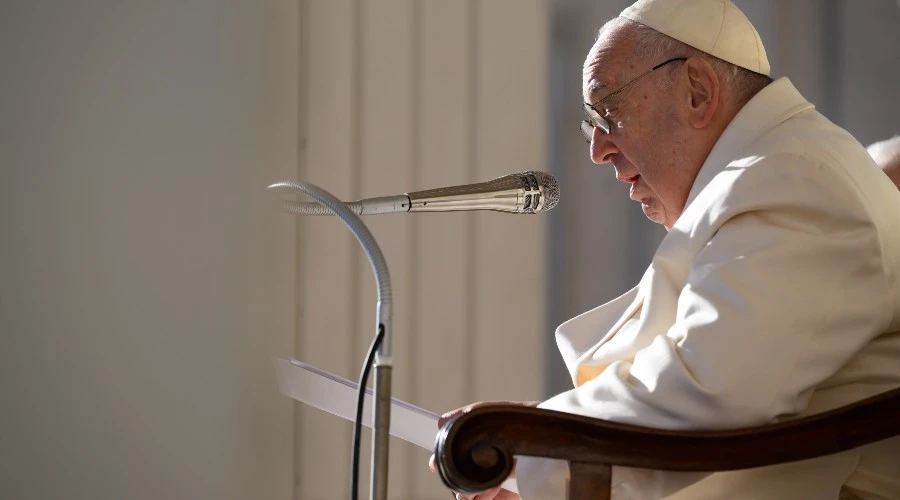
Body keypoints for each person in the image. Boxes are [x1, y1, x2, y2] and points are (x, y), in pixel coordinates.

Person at [436, 0, 900, 498]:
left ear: (698, 92)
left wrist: (523, 444)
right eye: (591, 125)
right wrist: (537, 453)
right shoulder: (775, 170)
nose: (598, 151)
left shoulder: (795, 180)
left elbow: (710, 392)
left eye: (608, 111)